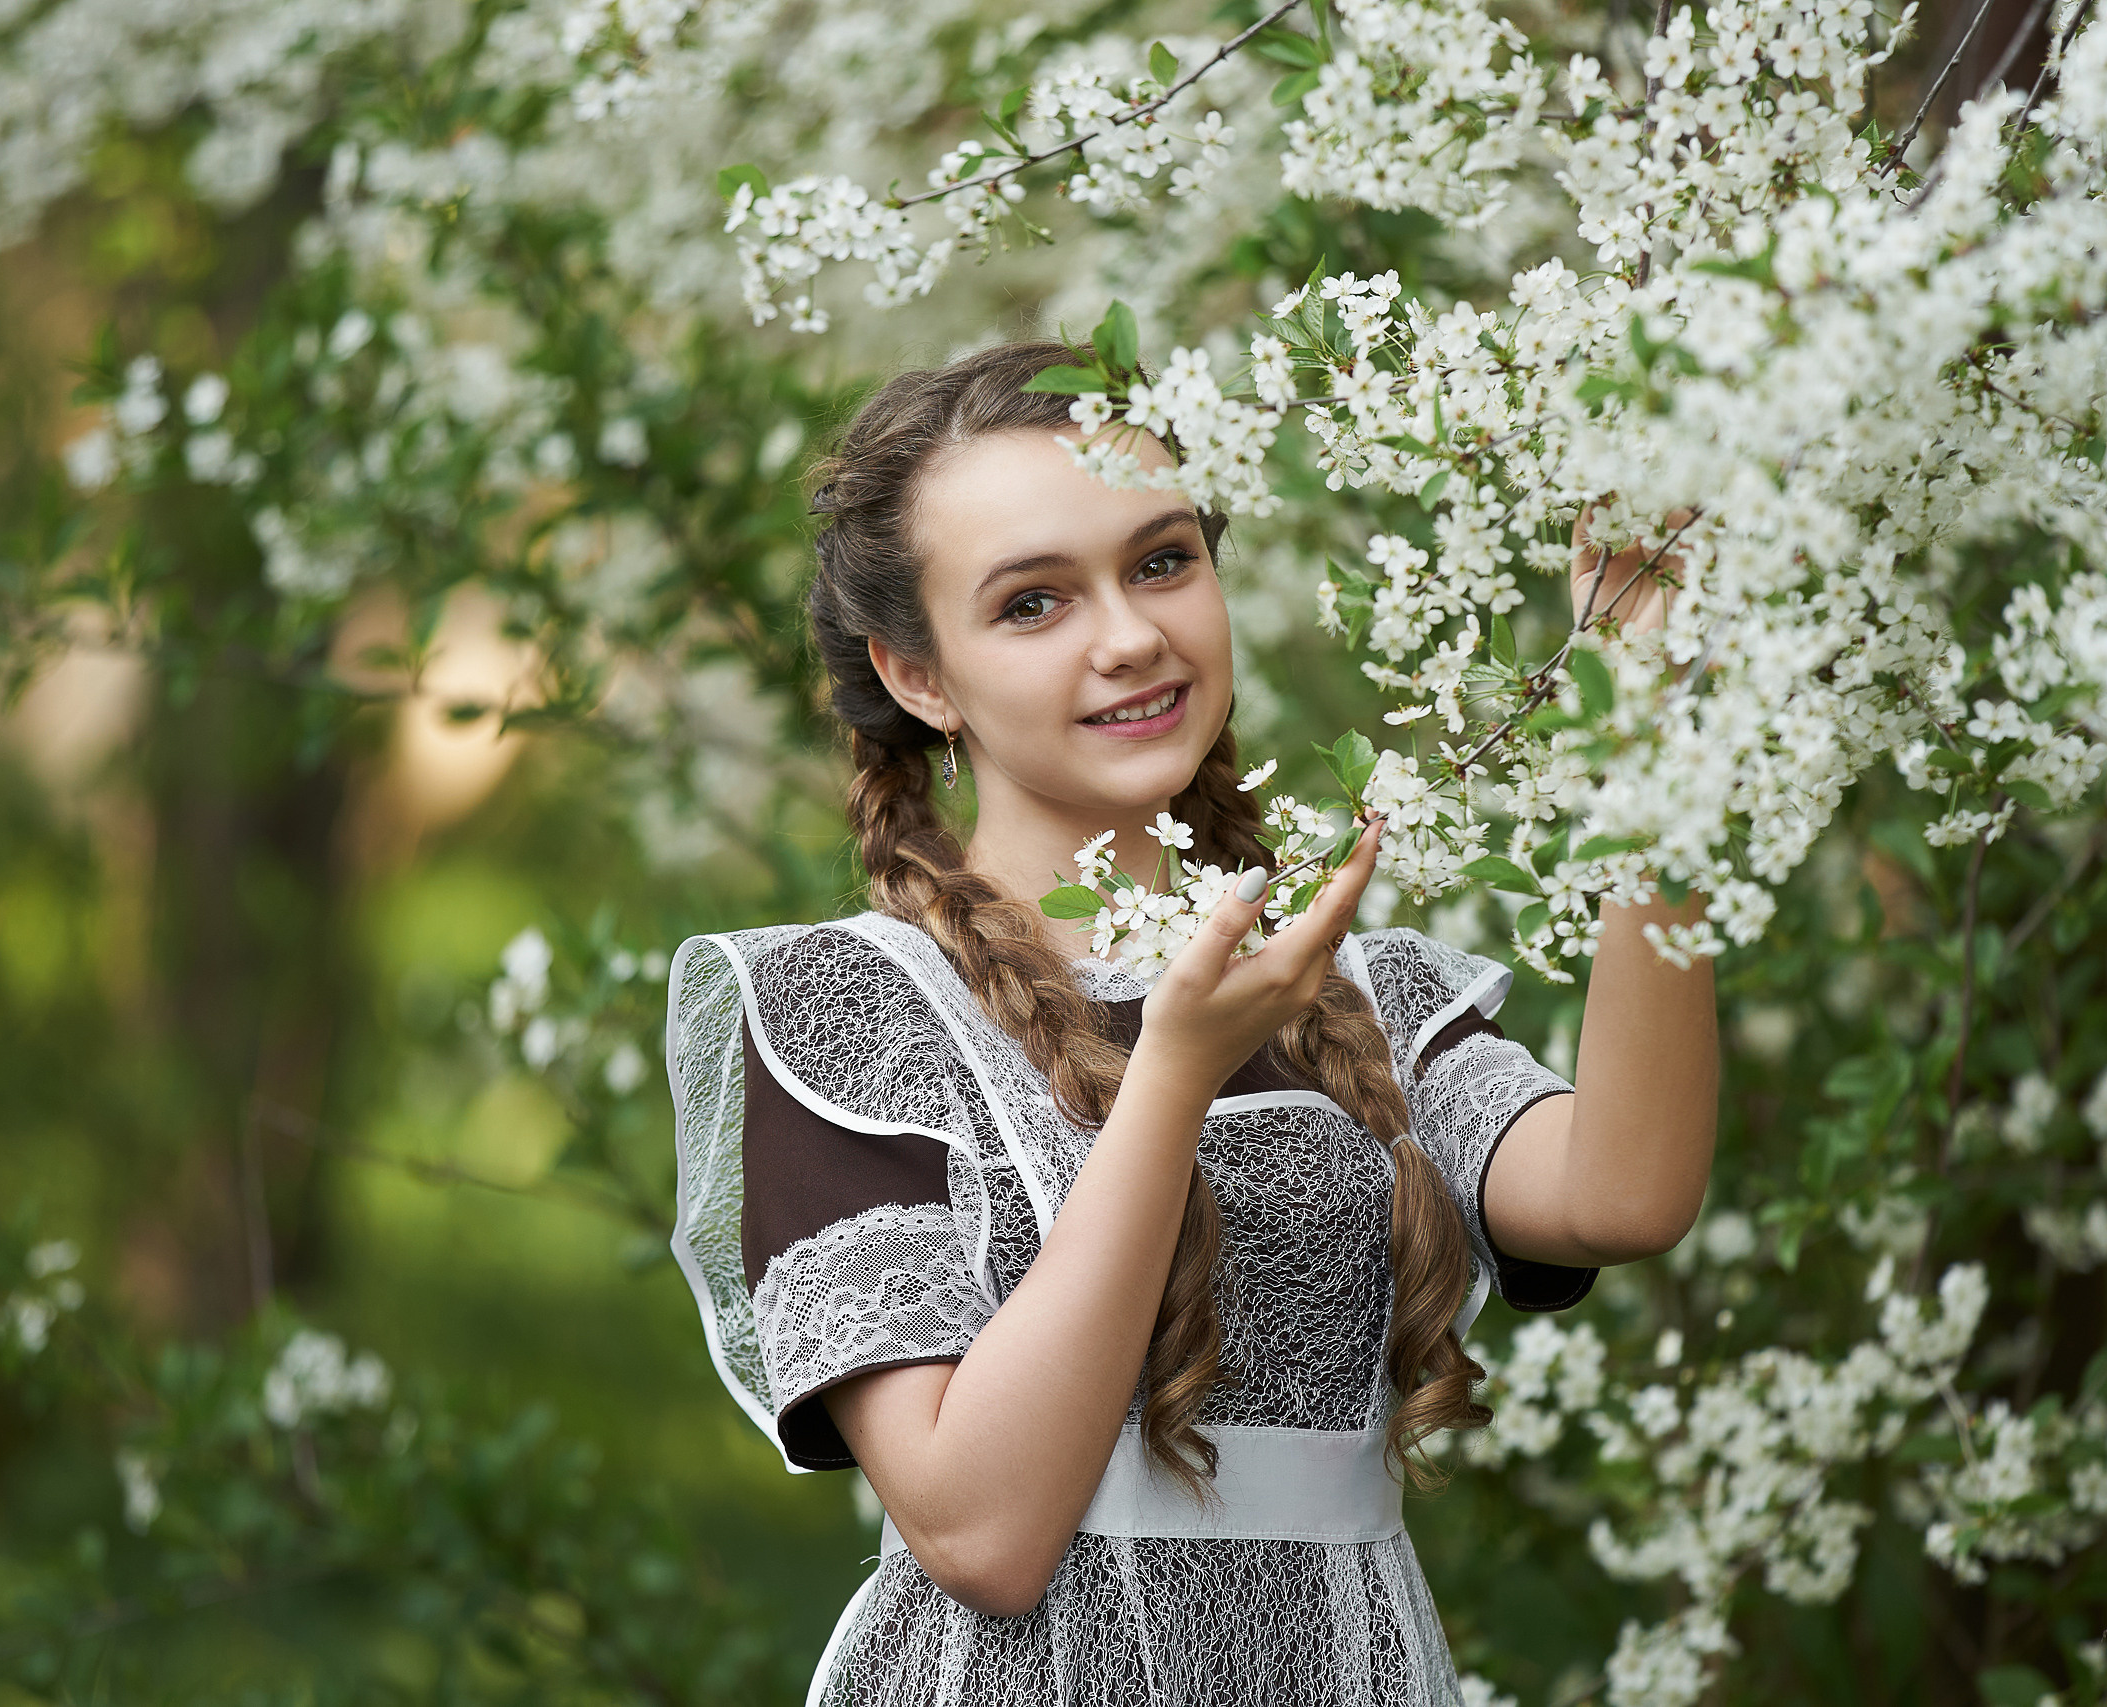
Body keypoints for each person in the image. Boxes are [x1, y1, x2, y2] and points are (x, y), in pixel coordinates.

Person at [664, 342, 1720, 1707]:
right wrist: (1173, 1076)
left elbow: (1624, 1194)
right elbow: (980, 1535)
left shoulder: (1355, 986)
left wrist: (1659, 729)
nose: (1129, 637)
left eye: (1162, 561)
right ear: (920, 678)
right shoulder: (850, 1013)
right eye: (1033, 602)